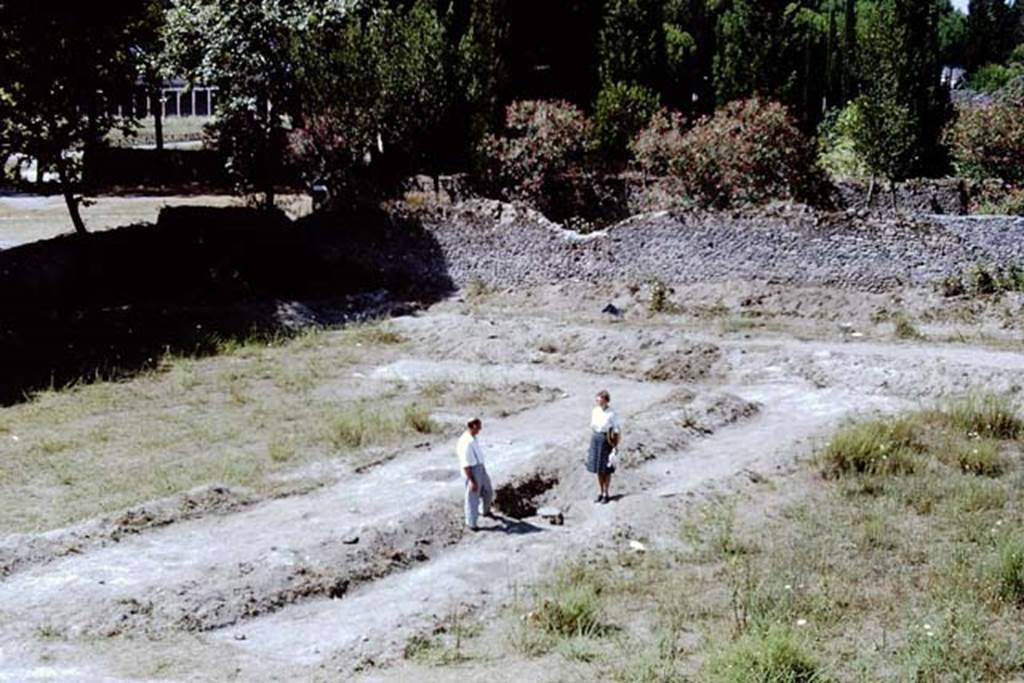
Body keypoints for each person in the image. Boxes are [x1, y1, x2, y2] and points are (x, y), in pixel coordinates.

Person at [456, 418, 494, 530]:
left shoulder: (473, 438)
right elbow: (465, 464)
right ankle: (471, 523)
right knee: (472, 497)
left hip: (480, 467)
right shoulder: (465, 442)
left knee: (488, 490)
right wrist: (472, 481)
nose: (480, 429)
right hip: (472, 471)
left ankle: (485, 511)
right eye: (478, 427)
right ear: (471, 426)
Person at [586, 389, 621, 504]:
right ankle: (601, 492)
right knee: (598, 469)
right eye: (597, 400)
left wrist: (615, 445)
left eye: (600, 400)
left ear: (606, 400)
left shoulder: (612, 413)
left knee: (606, 468)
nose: (598, 402)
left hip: (607, 439)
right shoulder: (595, 411)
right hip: (596, 438)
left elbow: (616, 429)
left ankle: (606, 492)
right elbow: (593, 425)